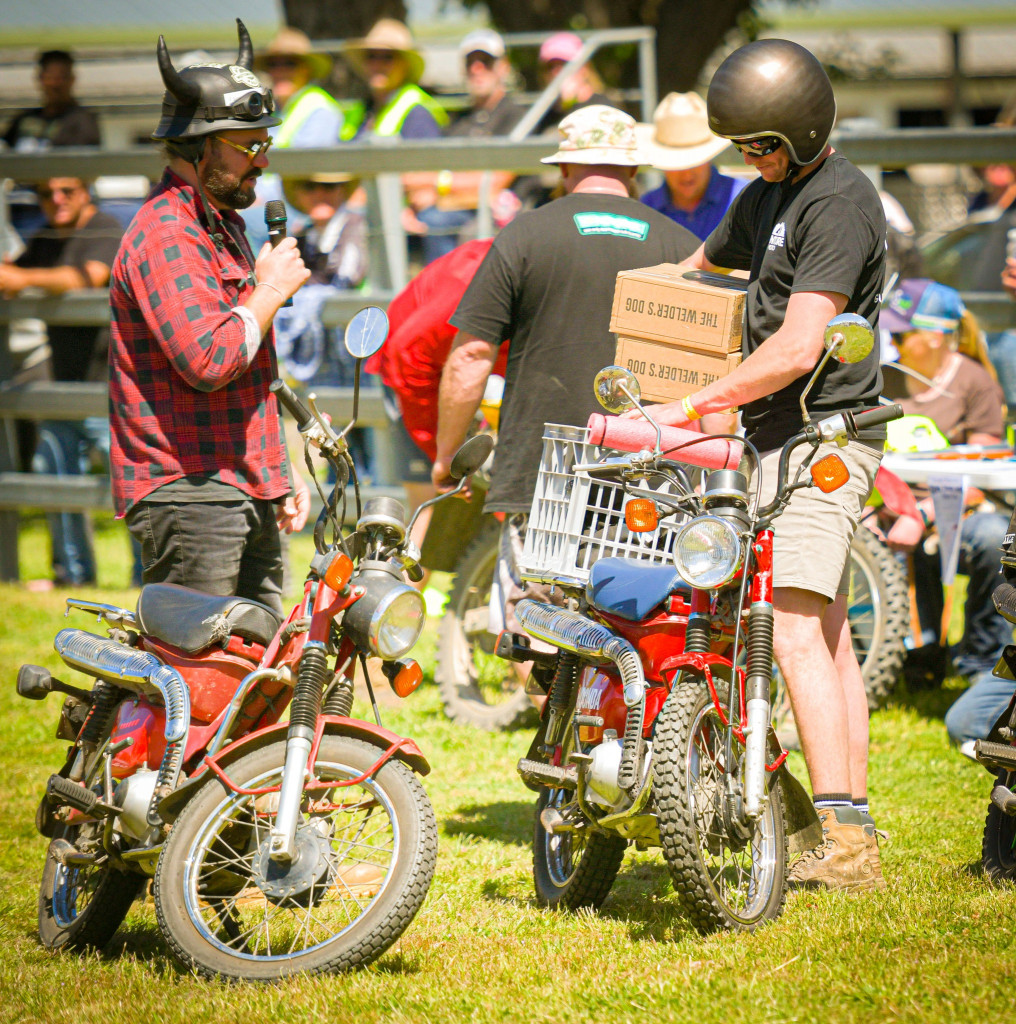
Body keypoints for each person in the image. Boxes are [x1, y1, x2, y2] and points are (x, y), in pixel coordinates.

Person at [629, 40, 889, 891]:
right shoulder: (767, 193)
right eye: (741, 148)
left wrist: (695, 403)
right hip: (778, 436)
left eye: (762, 145)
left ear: (806, 129)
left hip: (822, 436)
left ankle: (846, 847)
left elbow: (800, 341)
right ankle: (851, 828)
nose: (750, 160)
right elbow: (697, 270)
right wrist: (639, 308)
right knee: (830, 642)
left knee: (799, 635)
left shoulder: (840, 204)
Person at [432, 105, 699, 642]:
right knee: (635, 621)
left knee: (540, 622)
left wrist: (447, 456)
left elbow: (470, 356)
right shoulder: (683, 247)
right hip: (650, 470)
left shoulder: (524, 236)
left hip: (544, 469)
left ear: (564, 168)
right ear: (634, 170)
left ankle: (549, 705)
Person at [107, 20, 311, 617]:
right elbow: (211, 358)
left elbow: (251, 377)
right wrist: (269, 289)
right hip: (189, 492)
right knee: (193, 679)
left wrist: (278, 475)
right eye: (248, 145)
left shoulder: (219, 225)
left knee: (259, 666)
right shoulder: (168, 230)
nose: (262, 161)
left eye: (265, 143)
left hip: (236, 482)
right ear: (201, 145)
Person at [877, 279, 1014, 750]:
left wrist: (929, 510)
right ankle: (908, 658)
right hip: (888, 503)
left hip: (959, 505)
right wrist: (900, 508)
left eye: (900, 331)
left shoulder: (974, 381)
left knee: (994, 536)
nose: (890, 340)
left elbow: (985, 471)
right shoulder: (882, 378)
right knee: (878, 539)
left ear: (933, 335)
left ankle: (981, 664)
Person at [0, 176, 124, 588]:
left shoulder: (105, 226)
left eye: (66, 190)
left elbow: (88, 276)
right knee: (56, 479)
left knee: (133, 493)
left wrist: (21, 281)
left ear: (85, 189)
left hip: (113, 387)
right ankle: (73, 578)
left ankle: (147, 581)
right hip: (63, 384)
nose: (55, 200)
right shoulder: (46, 238)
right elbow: (9, 274)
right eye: (44, 194)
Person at [364, 238, 509, 551]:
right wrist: (442, 453)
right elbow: (408, 354)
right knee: (429, 499)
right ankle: (401, 591)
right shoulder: (466, 293)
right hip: (415, 370)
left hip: (490, 366)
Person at [404, 29, 526, 263]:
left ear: (504, 67)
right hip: (460, 215)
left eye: (486, 62)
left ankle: (444, 298)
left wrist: (437, 188)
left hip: (502, 222)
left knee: (435, 220)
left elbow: (494, 185)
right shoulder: (457, 122)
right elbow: (421, 181)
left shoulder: (517, 117)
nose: (476, 69)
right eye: (471, 62)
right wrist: (416, 205)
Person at [242, 28, 345, 249]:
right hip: (270, 203)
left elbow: (307, 174)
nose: (280, 71)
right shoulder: (276, 110)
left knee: (241, 224)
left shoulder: (321, 109)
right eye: (274, 64)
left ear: (307, 69)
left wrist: (256, 199)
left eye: (289, 63)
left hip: (303, 208)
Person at [3, 50, 101, 241]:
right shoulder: (24, 120)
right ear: (40, 79)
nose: (56, 84)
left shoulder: (83, 120)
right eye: (51, 77)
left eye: (62, 77)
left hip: (55, 212)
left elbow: (74, 171)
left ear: (72, 80)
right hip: (15, 210)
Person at [636, 92, 748, 240]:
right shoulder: (645, 210)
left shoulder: (746, 199)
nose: (687, 174)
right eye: (676, 164)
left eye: (695, 163)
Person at [339, 19, 447, 142]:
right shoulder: (360, 111)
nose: (377, 65)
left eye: (387, 57)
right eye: (371, 56)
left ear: (405, 66)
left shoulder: (418, 114)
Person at [532, 33, 613, 136]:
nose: (556, 72)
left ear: (584, 67)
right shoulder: (543, 114)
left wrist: (571, 105)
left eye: (565, 65)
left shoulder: (602, 108)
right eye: (550, 67)